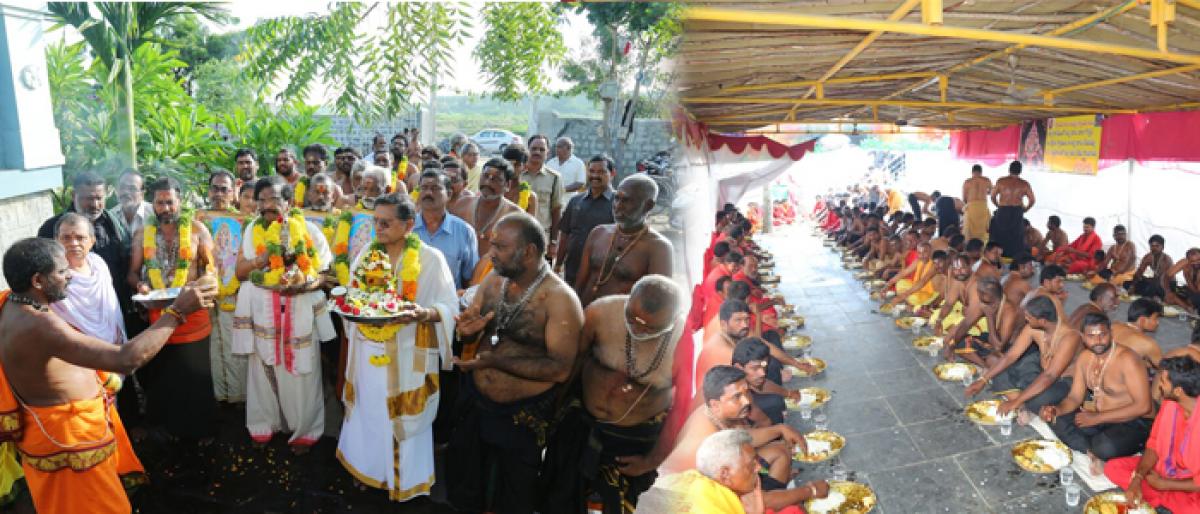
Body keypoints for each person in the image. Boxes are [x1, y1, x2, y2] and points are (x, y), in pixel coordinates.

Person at [0, 237, 216, 514]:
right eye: (63, 271)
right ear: (38, 281)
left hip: (54, 435)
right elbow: (125, 359)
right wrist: (176, 312)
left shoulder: (10, 302)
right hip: (69, 443)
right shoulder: (40, 325)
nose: (70, 277)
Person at [447, 212, 584, 513]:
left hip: (523, 416)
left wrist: (494, 361)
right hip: (477, 404)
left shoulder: (559, 299)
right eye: (491, 244)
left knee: (514, 498)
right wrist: (466, 335)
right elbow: (472, 334)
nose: (490, 253)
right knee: (467, 486)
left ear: (529, 251)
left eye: (500, 247)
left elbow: (560, 369)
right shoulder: (494, 282)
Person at [336, 194, 459, 501]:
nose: (378, 228)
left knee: (401, 416)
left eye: (386, 222)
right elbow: (354, 296)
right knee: (367, 410)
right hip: (367, 352)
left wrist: (425, 314)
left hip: (407, 353)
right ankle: (367, 469)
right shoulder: (366, 253)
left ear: (408, 226)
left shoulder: (430, 259)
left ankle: (405, 481)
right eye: (375, 221)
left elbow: (448, 307)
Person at [540, 275, 684, 514]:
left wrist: (652, 460)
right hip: (580, 426)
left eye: (650, 327)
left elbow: (681, 410)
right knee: (559, 498)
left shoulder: (682, 343)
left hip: (632, 441)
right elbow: (572, 365)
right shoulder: (600, 312)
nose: (638, 328)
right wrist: (553, 414)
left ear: (672, 321)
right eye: (632, 318)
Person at [232, 175, 335, 454]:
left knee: (302, 372)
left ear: (288, 202)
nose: (266, 205)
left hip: (299, 310)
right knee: (262, 370)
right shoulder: (252, 230)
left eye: (274, 199)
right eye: (261, 200)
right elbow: (241, 272)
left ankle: (305, 431)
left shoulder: (309, 230)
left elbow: (324, 275)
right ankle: (264, 424)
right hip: (263, 312)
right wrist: (262, 260)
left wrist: (304, 286)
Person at [127, 177, 219, 444]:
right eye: (159, 202)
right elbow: (132, 274)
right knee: (166, 375)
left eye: (170, 202)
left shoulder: (198, 229)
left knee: (197, 376)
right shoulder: (142, 234)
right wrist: (142, 286)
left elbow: (211, 272)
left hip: (194, 315)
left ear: (180, 202)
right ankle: (171, 427)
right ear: (152, 204)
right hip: (160, 316)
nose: (165, 208)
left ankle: (203, 429)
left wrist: (194, 288)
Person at [659, 367, 826, 510]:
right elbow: (754, 500)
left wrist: (780, 429)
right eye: (737, 397)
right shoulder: (707, 443)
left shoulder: (713, 409)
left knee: (781, 450)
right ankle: (782, 499)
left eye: (746, 392)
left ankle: (780, 493)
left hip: (723, 486)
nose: (746, 400)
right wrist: (809, 491)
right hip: (694, 504)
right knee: (792, 508)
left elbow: (745, 437)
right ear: (715, 404)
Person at [1044, 312, 1154, 471]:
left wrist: (1097, 418)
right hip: (1100, 415)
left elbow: (1144, 406)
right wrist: (1057, 409)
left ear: (1111, 333)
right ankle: (1091, 451)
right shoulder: (1085, 358)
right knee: (1058, 419)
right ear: (1083, 336)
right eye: (1091, 336)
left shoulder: (1128, 359)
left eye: (1103, 334)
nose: (1097, 340)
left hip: (1133, 420)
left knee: (1105, 447)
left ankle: (1096, 449)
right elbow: (1075, 397)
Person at [39, 172, 133, 334]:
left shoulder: (114, 224)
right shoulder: (51, 228)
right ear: (74, 195)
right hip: (70, 317)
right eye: (89, 198)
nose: (95, 204)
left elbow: (125, 263)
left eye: (99, 198)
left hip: (112, 310)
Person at [1104, 356, 1200, 513]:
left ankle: (1157, 497)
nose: (1160, 386)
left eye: (1163, 381)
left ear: (1178, 391)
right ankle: (1161, 498)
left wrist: (1165, 484)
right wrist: (1138, 478)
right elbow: (1154, 443)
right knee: (1112, 468)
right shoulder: (1170, 404)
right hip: (1162, 470)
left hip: (1188, 482)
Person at [965, 296, 1081, 421]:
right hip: (1040, 371)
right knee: (998, 373)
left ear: (1042, 321)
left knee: (1036, 400)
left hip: (1062, 381)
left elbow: (1051, 375)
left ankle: (1022, 401)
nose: (1026, 319)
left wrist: (1015, 402)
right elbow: (1010, 356)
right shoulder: (1032, 328)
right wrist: (983, 380)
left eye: (1029, 317)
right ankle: (1024, 404)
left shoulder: (1069, 337)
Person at [575, 175, 674, 307]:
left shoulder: (658, 248)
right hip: (585, 315)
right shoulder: (598, 233)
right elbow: (580, 283)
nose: (618, 206)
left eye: (626, 201)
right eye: (616, 198)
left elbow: (658, 301)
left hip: (621, 323)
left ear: (648, 205)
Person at [636, 429, 763, 514]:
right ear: (724, 475)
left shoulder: (689, 480)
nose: (758, 468)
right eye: (751, 465)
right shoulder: (709, 504)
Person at [202, 172, 248, 404]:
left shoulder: (244, 220)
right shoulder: (198, 220)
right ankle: (219, 395)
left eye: (224, 189)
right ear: (209, 191)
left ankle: (238, 396)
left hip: (235, 290)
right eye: (215, 188)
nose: (219, 194)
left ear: (233, 193)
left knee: (233, 343)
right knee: (212, 345)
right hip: (206, 292)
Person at [50, 213, 126, 345]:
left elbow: (112, 308)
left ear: (92, 241)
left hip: (115, 345)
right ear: (56, 241)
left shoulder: (98, 263)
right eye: (66, 238)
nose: (73, 243)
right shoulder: (53, 276)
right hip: (81, 352)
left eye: (80, 238)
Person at [458, 158, 525, 288]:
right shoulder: (461, 205)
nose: (488, 182)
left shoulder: (515, 216)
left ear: (507, 185)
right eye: (485, 176)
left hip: (492, 284)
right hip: (458, 279)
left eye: (496, 179)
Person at [412, 170, 479, 291]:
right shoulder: (406, 227)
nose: (428, 192)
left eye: (435, 188)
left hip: (447, 304)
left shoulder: (464, 231)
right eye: (424, 188)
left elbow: (470, 278)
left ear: (449, 194)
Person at [555, 155, 616, 285]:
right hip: (572, 269)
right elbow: (565, 235)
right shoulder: (576, 201)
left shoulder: (618, 204)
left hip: (601, 273)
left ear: (612, 174)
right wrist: (558, 264)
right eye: (592, 171)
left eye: (601, 172)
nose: (595, 175)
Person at [521, 135, 565, 259]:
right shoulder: (517, 175)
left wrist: (554, 242)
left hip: (541, 236)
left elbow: (556, 211)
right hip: (517, 235)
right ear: (527, 149)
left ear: (548, 152)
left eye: (541, 149)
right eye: (533, 148)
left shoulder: (555, 178)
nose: (537, 152)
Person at [989, 160, 1035, 258]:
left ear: (1009, 169)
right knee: (1016, 236)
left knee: (1000, 234)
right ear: (1020, 171)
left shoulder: (1001, 181)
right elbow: (1032, 200)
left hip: (1003, 210)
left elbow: (992, 196)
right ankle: (1015, 258)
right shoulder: (1024, 184)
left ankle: (999, 256)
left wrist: (998, 205)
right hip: (1017, 211)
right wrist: (1025, 209)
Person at [107, 170, 154, 251]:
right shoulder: (110, 216)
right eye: (122, 187)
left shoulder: (153, 214)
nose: (125, 192)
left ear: (142, 194)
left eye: (132, 188)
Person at [1112, 298, 1165, 369]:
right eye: (1155, 318)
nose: (1157, 323)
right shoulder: (1148, 343)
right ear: (1142, 320)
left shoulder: (1114, 325)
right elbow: (1165, 368)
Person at [1129, 235, 1173, 299]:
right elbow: (1139, 271)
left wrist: (1146, 279)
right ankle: (1150, 295)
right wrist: (1132, 285)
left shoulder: (1166, 260)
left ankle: (1154, 297)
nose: (1154, 248)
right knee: (1127, 283)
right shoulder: (1148, 257)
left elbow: (1162, 280)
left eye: (1157, 246)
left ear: (1162, 247)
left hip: (1167, 285)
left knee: (1151, 288)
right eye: (1152, 246)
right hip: (1154, 282)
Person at [548, 136, 586, 202]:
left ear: (568, 148)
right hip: (551, 201)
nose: (556, 149)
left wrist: (561, 190)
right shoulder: (550, 162)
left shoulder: (578, 163)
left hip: (570, 201)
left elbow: (580, 183)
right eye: (556, 147)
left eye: (559, 147)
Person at [962, 164, 992, 242]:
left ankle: (970, 247)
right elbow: (992, 192)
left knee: (969, 231)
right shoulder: (986, 180)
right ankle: (982, 247)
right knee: (983, 230)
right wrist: (985, 192)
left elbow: (964, 198)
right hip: (983, 206)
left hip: (972, 206)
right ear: (981, 172)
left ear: (972, 172)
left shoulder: (967, 182)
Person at [1166, 248, 1200, 314]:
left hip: (1197, 295)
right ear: (1188, 260)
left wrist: (1186, 275)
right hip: (1193, 292)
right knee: (1168, 298)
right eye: (1193, 261)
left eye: (1199, 260)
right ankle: (1189, 307)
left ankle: (1189, 306)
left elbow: (1198, 290)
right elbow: (1168, 274)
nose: (1196, 263)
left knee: (1194, 300)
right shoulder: (1186, 264)